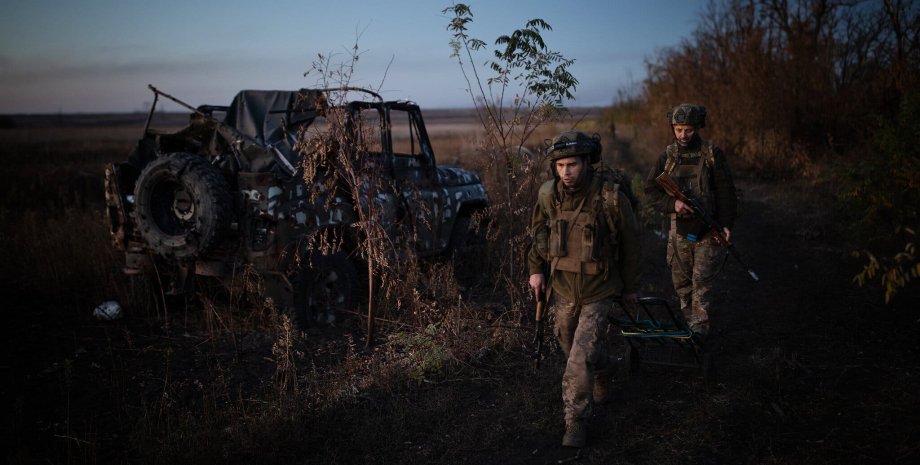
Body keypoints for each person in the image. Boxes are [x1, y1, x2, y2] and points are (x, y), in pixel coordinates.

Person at [528, 130, 642, 448]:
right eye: (561, 165)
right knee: (569, 346)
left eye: (573, 164)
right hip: (562, 287)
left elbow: (632, 245)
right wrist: (536, 270)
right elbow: (538, 234)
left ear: (587, 163)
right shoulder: (549, 195)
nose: (566, 172)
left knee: (578, 360)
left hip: (598, 289)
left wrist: (630, 288)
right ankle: (605, 370)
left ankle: (575, 421)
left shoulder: (610, 198)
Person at [644, 104, 737, 339]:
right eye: (678, 130)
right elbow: (651, 191)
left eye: (688, 130)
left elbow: (726, 192)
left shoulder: (712, 154)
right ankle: (691, 326)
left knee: (702, 284)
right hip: (679, 231)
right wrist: (672, 204)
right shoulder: (666, 157)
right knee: (682, 285)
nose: (683, 135)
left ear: (698, 127)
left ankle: (699, 332)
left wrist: (725, 225)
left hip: (708, 230)